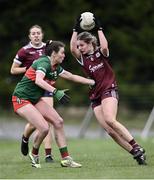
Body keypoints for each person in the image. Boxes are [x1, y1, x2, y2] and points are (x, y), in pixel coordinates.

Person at [70, 16, 147, 165]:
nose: (79, 48)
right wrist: (75, 28)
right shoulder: (82, 59)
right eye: (79, 46)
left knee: (110, 120)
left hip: (108, 89)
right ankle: (136, 153)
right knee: (110, 131)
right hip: (95, 95)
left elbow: (105, 46)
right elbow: (72, 48)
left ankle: (136, 145)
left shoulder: (100, 53)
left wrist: (99, 28)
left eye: (82, 45)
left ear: (90, 43)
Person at [12, 40, 95, 168]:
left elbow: (71, 76)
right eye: (62, 53)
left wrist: (91, 82)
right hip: (21, 99)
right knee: (44, 128)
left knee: (58, 121)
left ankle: (66, 159)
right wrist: (56, 92)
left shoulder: (56, 67)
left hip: (34, 99)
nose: (64, 55)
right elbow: (39, 80)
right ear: (54, 53)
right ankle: (34, 154)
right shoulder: (43, 62)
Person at [10, 25, 54, 163]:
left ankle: (48, 155)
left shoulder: (47, 48)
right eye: (33, 33)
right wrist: (28, 68)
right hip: (30, 90)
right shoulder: (24, 51)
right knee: (35, 122)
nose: (36, 35)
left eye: (38, 33)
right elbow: (13, 70)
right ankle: (25, 137)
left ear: (42, 35)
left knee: (49, 119)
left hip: (45, 88)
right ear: (29, 36)